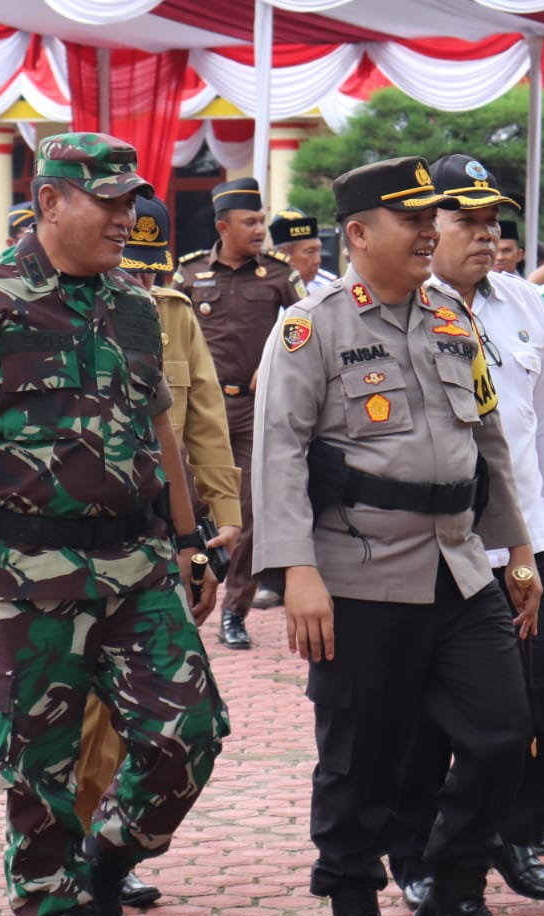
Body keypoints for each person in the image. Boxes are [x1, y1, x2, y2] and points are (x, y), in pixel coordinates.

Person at [0, 133, 228, 916]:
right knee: (36, 773)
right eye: (111, 204)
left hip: (135, 569)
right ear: (50, 203)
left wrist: (191, 538)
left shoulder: (133, 305)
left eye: (134, 205)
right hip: (20, 577)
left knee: (186, 739)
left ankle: (101, 871)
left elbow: (159, 429)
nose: (130, 220)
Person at [254, 155, 544, 916]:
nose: (428, 234)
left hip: (460, 567)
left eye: (432, 221)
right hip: (359, 573)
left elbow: (487, 441)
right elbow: (275, 452)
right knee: (361, 762)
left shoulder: (453, 318)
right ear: (357, 234)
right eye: (410, 221)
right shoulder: (312, 330)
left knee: (502, 733)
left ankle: (454, 898)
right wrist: (295, 570)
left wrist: (517, 548)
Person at [388, 154, 544, 906]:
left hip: (528, 533)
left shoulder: (522, 304)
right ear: (425, 225)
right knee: (435, 709)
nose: (484, 235)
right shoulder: (406, 304)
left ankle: (516, 832)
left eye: (491, 221)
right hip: (445, 541)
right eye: (463, 220)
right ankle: (416, 851)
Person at [72, 194, 242, 910]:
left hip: (156, 542)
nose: (135, 282)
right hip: (66, 552)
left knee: (149, 719)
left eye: (149, 269)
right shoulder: (45, 306)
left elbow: (203, 416)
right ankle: (77, 847)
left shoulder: (170, 314)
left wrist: (223, 518)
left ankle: (110, 842)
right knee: (77, 716)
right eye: (129, 267)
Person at [171, 178, 305, 651]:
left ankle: (234, 610)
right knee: (190, 511)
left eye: (261, 220)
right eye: (249, 222)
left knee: (245, 515)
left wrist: (274, 361)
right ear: (222, 226)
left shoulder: (279, 276)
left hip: (253, 412)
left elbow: (304, 330)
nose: (259, 230)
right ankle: (191, 593)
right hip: (196, 415)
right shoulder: (187, 276)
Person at [270, 208, 329, 288]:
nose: (317, 260)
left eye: (318, 251)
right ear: (282, 256)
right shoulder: (265, 289)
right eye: (310, 252)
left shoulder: (326, 287)